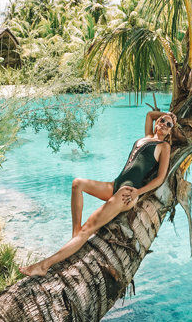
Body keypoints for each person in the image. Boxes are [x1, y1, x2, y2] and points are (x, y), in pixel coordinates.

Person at [19, 110, 176, 277]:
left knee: (89, 228)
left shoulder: (163, 147)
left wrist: (138, 191)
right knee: (77, 184)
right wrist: (168, 114)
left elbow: (160, 178)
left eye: (169, 125)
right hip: (116, 185)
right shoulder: (147, 137)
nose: (164, 125)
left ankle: (44, 265)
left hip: (126, 192)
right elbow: (149, 115)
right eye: (163, 121)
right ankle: (75, 236)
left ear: (171, 131)